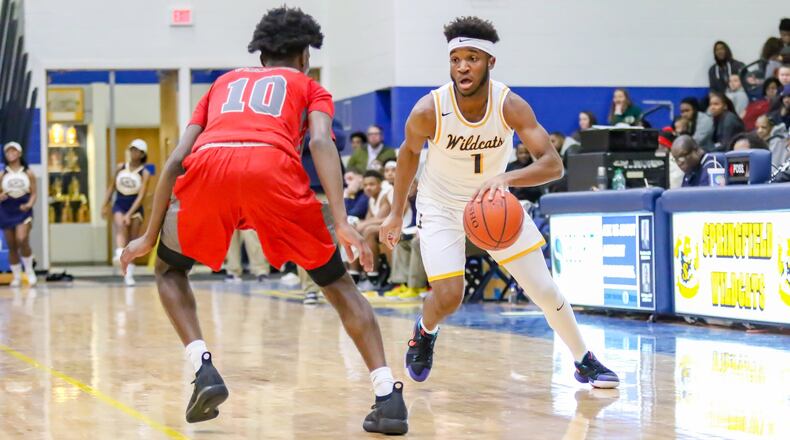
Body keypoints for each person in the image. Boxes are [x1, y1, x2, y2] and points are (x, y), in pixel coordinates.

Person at [119, 7, 407, 434]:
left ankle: (201, 366)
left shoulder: (220, 84)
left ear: (261, 56)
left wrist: (147, 235)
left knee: (168, 269)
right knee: (337, 286)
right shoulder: (310, 86)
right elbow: (322, 143)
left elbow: (177, 159)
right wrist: (342, 221)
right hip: (272, 169)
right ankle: (387, 397)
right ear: (305, 55)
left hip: (208, 167)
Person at [379, 16, 619, 389]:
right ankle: (425, 331)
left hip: (493, 203)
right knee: (449, 296)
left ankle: (583, 359)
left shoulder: (510, 105)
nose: (462, 66)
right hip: (440, 205)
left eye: (472, 58)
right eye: (456, 58)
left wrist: (506, 178)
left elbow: (553, 164)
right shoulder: (429, 109)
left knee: (543, 289)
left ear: (490, 62)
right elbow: (409, 153)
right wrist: (396, 213)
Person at [101, 139, 151, 286]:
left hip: (135, 206)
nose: (133, 153)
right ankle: (119, 252)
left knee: (133, 241)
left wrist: (130, 213)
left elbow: (141, 195)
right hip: (120, 203)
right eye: (131, 149)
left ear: (142, 154)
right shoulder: (120, 167)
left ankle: (129, 273)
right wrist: (104, 204)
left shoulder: (145, 172)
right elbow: (111, 187)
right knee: (120, 227)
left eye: (136, 150)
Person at [0, 142, 38, 287]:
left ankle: (29, 270)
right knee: (12, 245)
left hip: (23, 209)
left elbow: (34, 193)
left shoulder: (28, 173)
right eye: (8, 151)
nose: (11, 154)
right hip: (6, 210)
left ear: (20, 153)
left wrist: (29, 204)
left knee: (22, 238)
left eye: (14, 151)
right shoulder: (3, 174)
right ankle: (16, 275)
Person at [351, 170, 391, 291]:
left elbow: (381, 219)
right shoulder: (371, 199)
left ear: (380, 184)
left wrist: (361, 225)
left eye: (372, 184)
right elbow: (369, 219)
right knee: (353, 231)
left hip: (396, 227)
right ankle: (354, 274)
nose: (368, 187)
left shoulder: (385, 196)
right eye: (365, 185)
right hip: (384, 228)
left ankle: (372, 275)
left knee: (368, 230)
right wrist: (357, 226)